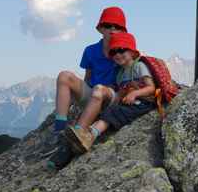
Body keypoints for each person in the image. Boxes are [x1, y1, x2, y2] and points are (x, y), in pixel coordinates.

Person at [48, 32, 156, 168]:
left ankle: (86, 137)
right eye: (114, 52)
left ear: (133, 53)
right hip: (128, 104)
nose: (117, 54)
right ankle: (85, 137)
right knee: (108, 114)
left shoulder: (139, 67)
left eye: (122, 50)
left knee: (109, 116)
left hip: (142, 103)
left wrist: (134, 94)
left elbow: (151, 87)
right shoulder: (121, 73)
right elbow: (121, 91)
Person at [43, 6, 126, 157]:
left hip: (111, 97)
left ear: (123, 31)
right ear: (100, 28)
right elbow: (88, 77)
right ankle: (59, 129)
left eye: (117, 27)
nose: (112, 29)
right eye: (108, 25)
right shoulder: (90, 51)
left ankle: (78, 134)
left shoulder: (124, 51)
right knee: (64, 76)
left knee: (99, 89)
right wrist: (79, 96)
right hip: (94, 93)